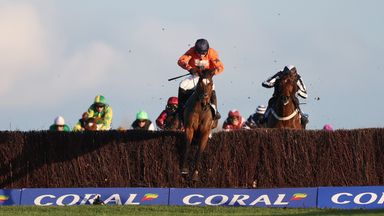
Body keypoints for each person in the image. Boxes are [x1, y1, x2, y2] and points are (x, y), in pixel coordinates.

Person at [177, 38, 224, 122]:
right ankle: (181, 108)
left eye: (204, 53)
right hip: (195, 76)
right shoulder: (191, 51)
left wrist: (211, 73)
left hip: (206, 77)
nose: (201, 55)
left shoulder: (212, 53)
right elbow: (180, 61)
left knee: (212, 88)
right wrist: (190, 68)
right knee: (182, 84)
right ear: (195, 50)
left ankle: (215, 110)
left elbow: (221, 67)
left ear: (207, 50)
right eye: (199, 53)